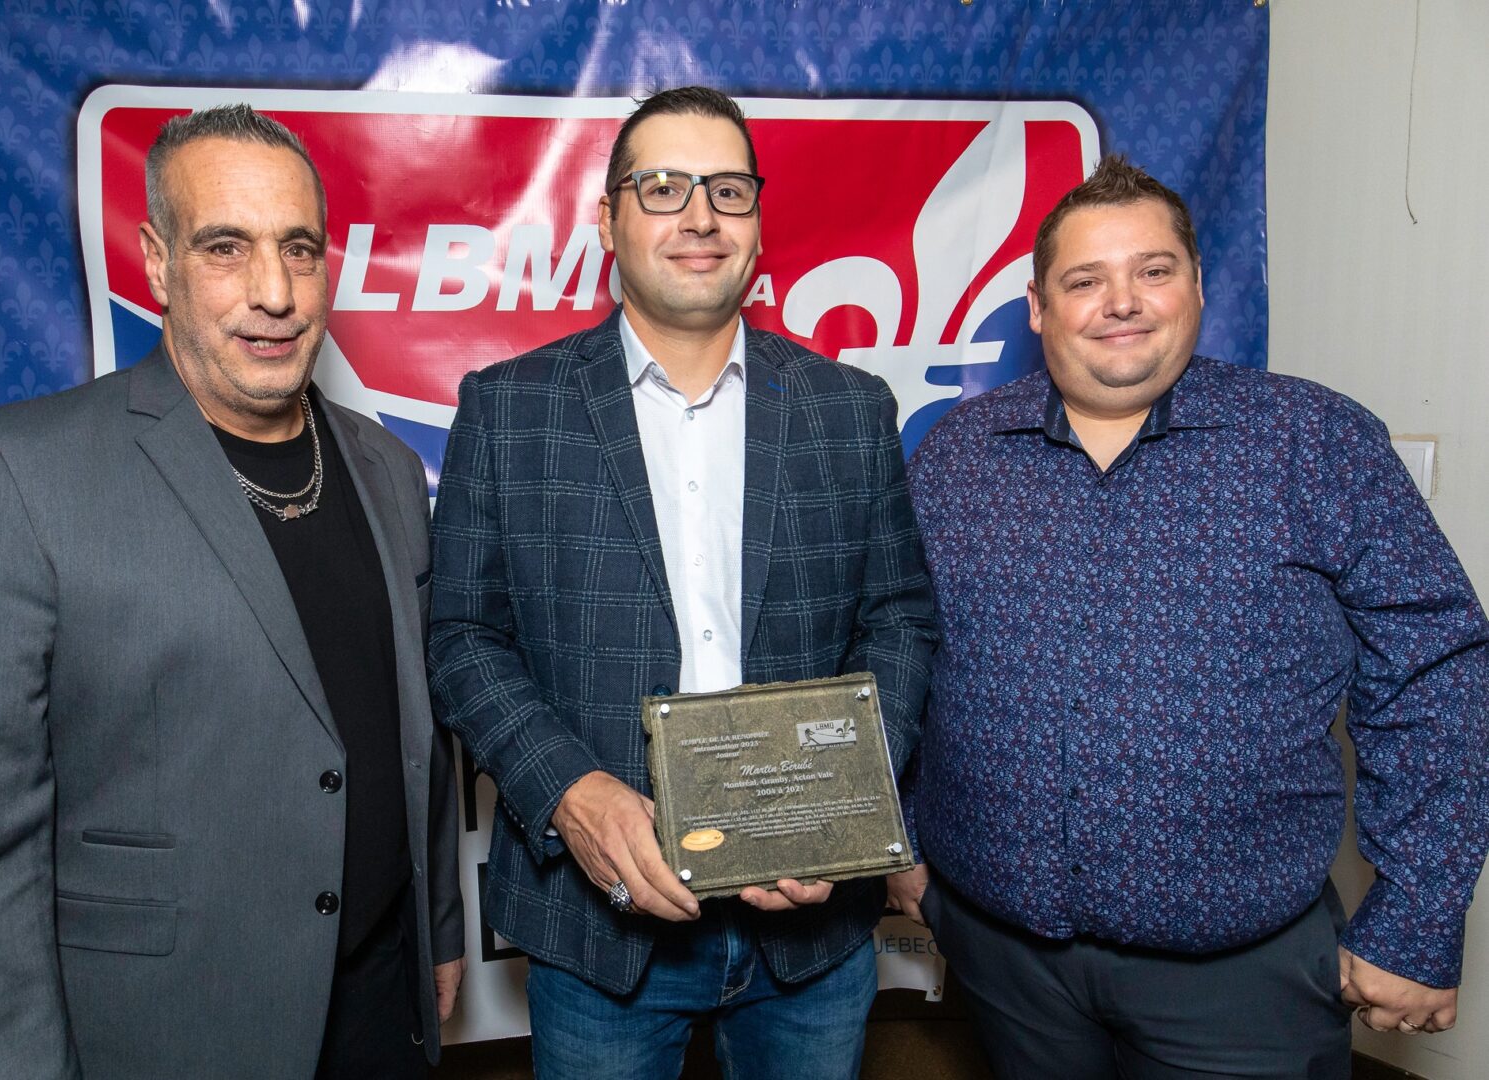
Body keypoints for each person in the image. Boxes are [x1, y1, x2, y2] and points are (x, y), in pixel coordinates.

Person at [0, 104, 463, 1080]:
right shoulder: (2, 475)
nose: (274, 291)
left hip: (378, 1016)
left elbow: (404, 733)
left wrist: (437, 922)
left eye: (299, 249)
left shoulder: (388, 471)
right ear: (157, 261)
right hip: (167, 1035)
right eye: (226, 247)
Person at [897, 155, 1489, 1078]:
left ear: (1198, 287)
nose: (1120, 301)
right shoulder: (959, 454)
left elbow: (1434, 672)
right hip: (1003, 956)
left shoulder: (1314, 443)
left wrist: (1417, 915)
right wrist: (897, 845)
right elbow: (897, 653)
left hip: (1238, 982)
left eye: (1153, 271)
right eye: (1084, 280)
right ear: (1040, 305)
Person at [427, 86, 936, 1080]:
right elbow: (462, 639)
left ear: (757, 219)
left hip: (813, 936)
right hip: (602, 934)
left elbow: (901, 621)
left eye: (728, 190)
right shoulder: (507, 409)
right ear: (608, 219)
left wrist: (844, 802)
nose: (700, 216)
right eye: (662, 188)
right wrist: (570, 793)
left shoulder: (850, 409)